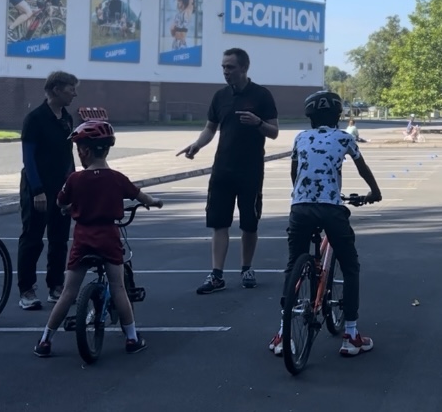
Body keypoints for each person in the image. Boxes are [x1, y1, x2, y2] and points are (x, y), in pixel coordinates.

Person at [33, 118, 162, 357]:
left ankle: (45, 340)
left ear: (85, 152)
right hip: (108, 236)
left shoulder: (74, 179)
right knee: (118, 286)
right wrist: (154, 202)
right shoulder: (117, 179)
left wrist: (66, 207)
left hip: (83, 237)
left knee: (69, 291)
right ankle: (132, 338)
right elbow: (140, 196)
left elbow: (62, 202)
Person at [268, 90, 382, 357]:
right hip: (330, 208)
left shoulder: (300, 137)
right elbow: (362, 167)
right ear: (337, 117)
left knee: (292, 264)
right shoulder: (344, 137)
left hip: (300, 208)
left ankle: (283, 334)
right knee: (351, 266)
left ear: (309, 117)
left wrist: (301, 194)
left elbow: (295, 172)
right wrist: (374, 192)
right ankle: (351, 334)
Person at [177, 48, 279, 293]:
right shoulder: (220, 96)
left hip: (250, 170)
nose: (225, 71)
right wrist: (197, 145)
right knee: (219, 223)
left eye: (230, 67)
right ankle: (216, 275)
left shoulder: (261, 95)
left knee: (249, 224)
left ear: (244, 68)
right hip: (222, 169)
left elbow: (274, 131)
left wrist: (258, 123)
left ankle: (247, 268)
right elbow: (210, 129)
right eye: (223, 67)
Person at [17, 71, 79, 311]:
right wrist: (37, 190)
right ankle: (27, 290)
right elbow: (28, 159)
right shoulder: (35, 119)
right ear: (56, 89)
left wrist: (73, 184)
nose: (74, 93)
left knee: (59, 239)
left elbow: (68, 155)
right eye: (70, 88)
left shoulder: (66, 117)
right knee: (32, 238)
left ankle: (56, 286)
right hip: (38, 187)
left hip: (61, 187)